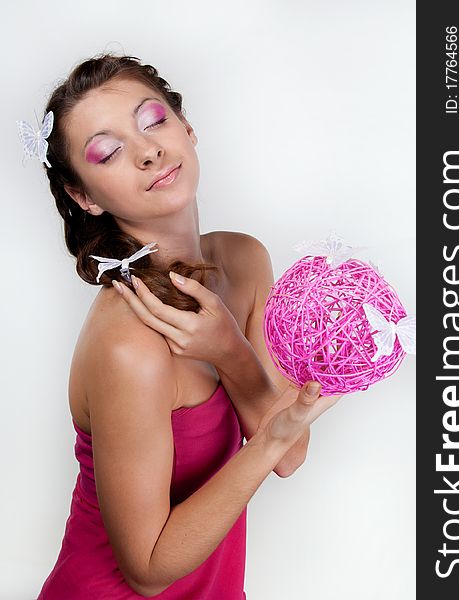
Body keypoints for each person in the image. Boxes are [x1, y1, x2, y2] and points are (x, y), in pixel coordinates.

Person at [33, 52, 341, 599]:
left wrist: (230, 350)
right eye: (108, 152)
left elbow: (289, 454)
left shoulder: (244, 262)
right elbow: (147, 571)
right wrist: (270, 438)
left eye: (152, 120)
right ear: (84, 197)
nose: (148, 151)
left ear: (188, 128)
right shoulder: (129, 343)